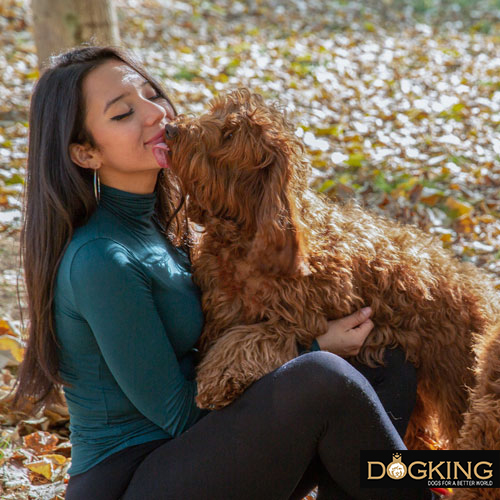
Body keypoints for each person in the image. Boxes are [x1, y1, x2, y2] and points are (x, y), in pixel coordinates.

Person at [13, 46, 436, 500]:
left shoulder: (169, 227)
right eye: (123, 114)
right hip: (133, 479)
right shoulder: (101, 259)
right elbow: (177, 414)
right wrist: (310, 346)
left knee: (383, 361)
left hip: (202, 454)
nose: (157, 114)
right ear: (85, 153)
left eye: (153, 94)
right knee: (322, 376)